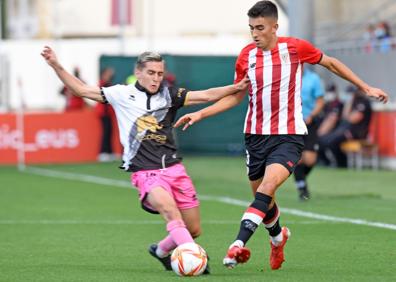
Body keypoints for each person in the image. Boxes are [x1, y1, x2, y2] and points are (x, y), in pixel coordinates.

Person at [174, 0, 388, 271]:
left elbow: (331, 63)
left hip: (288, 135)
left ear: (275, 26)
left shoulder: (296, 48)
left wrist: (365, 86)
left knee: (266, 189)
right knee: (266, 201)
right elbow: (237, 96)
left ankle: (237, 245)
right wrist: (201, 114)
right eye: (251, 28)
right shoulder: (246, 56)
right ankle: (278, 237)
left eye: (260, 28)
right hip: (254, 136)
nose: (255, 34)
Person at [41, 46, 249, 273]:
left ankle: (160, 251)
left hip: (174, 169)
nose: (156, 78)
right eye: (151, 73)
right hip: (145, 172)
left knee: (193, 227)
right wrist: (56, 65)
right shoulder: (120, 93)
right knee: (171, 212)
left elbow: (207, 95)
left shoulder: (170, 94)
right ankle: (193, 255)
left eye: (159, 74)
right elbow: (81, 89)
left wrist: (236, 87)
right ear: (138, 72)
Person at [319, 86, 373, 167]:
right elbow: (345, 116)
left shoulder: (363, 102)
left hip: (357, 133)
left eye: (351, 93)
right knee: (324, 140)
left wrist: (349, 104)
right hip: (345, 130)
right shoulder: (350, 103)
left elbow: (352, 119)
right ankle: (333, 162)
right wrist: (348, 103)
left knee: (332, 141)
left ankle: (342, 163)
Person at [293, 68, 324, 201]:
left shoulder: (313, 78)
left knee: (310, 159)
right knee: (298, 158)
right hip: (292, 123)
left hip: (309, 122)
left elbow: (320, 101)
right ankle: (302, 188)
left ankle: (300, 178)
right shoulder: (286, 75)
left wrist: (312, 115)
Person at [96, 67, 116, 162]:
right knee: (106, 132)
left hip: (108, 113)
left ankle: (109, 152)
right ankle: (103, 152)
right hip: (104, 112)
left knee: (110, 132)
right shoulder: (102, 84)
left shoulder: (107, 84)